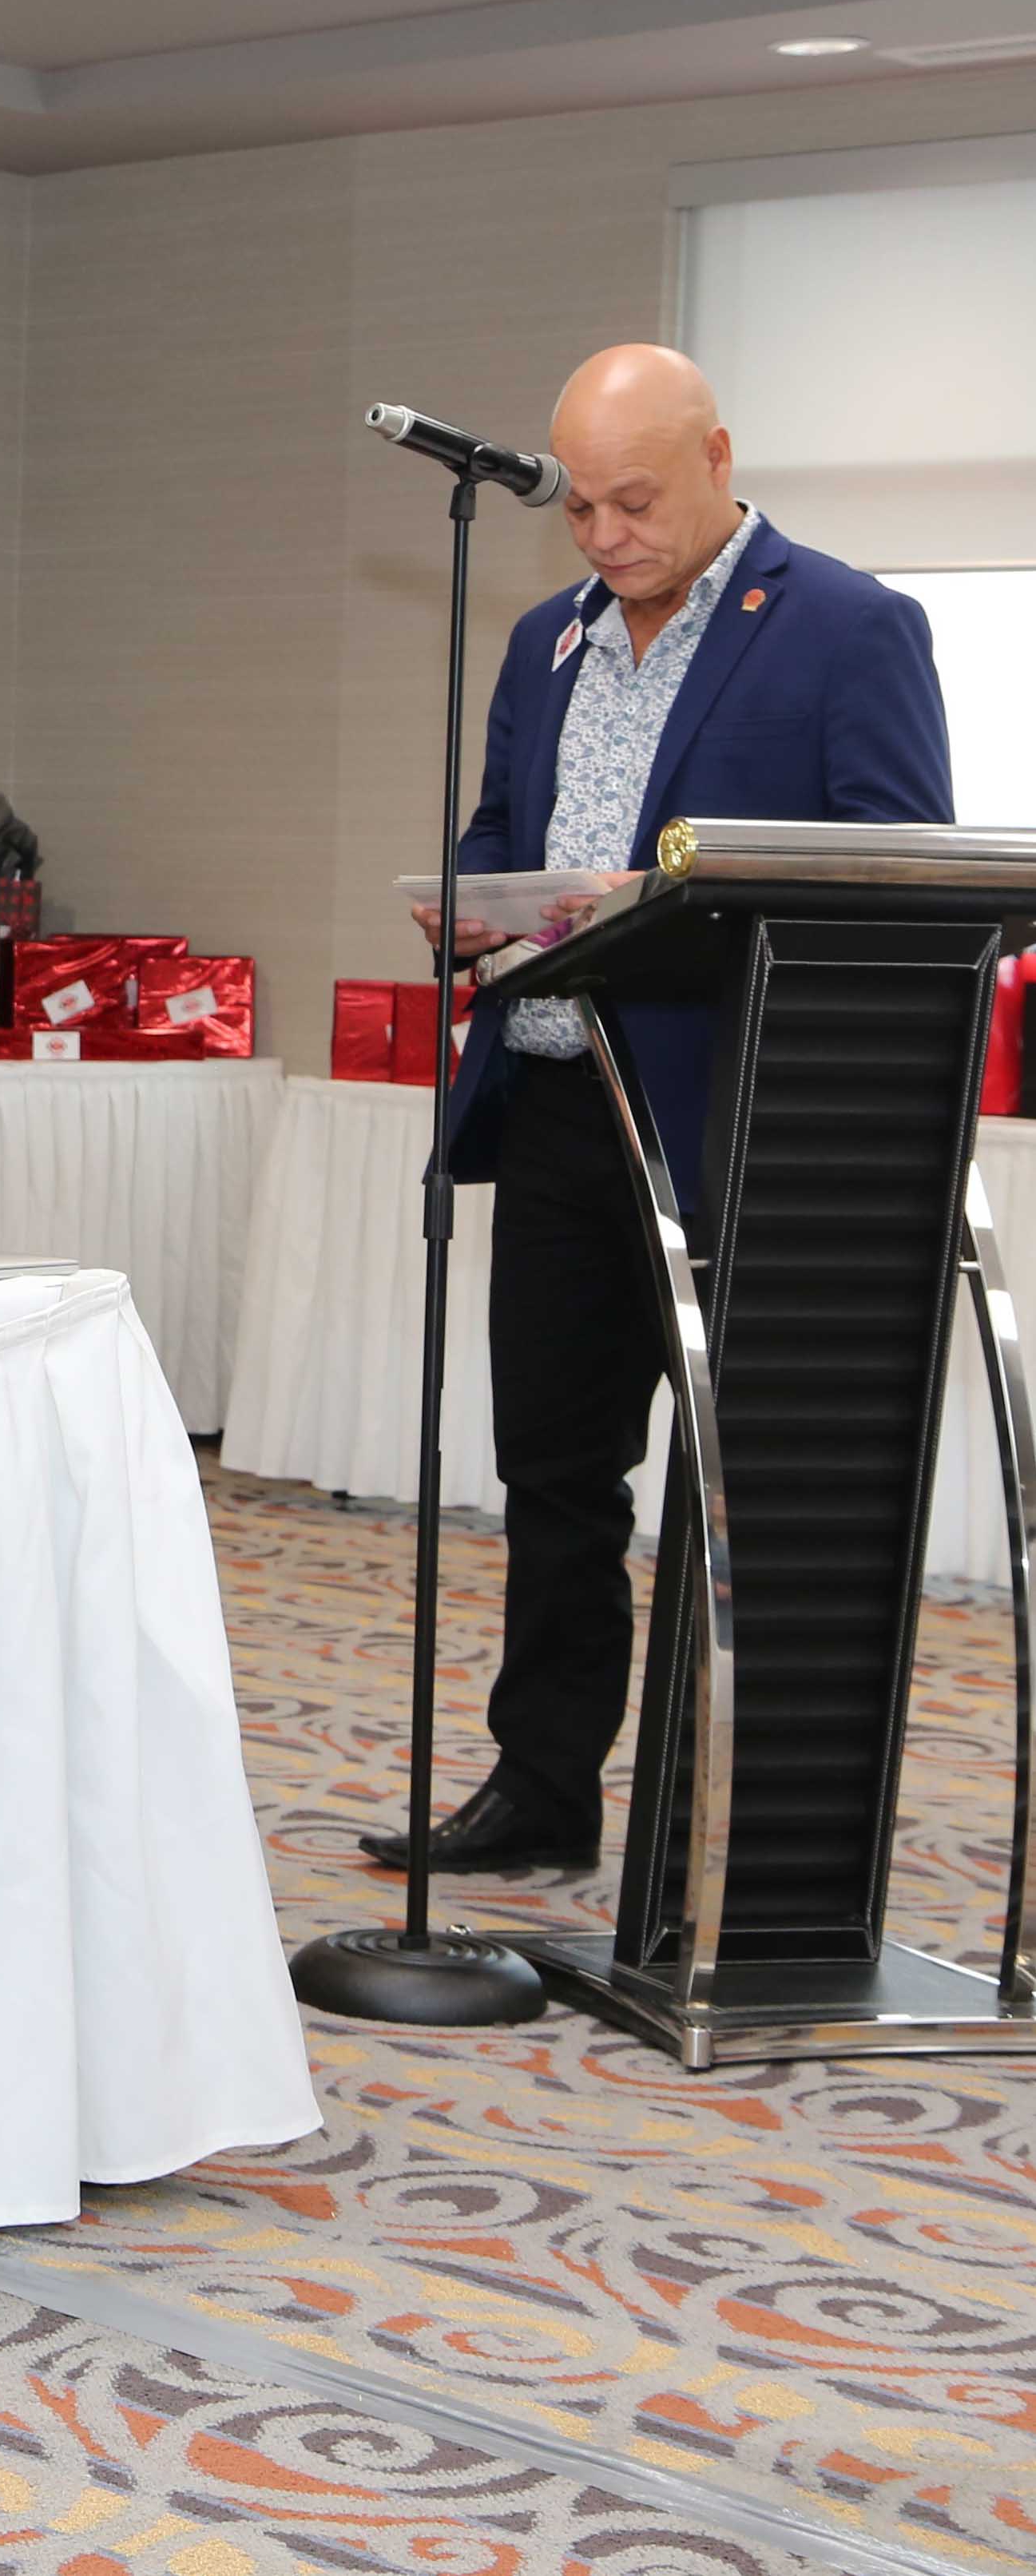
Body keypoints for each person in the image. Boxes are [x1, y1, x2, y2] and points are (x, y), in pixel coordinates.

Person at [359, 343, 951, 1875]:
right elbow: (507, 820)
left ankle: (723, 1818)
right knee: (554, 1470)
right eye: (583, 511)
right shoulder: (545, 640)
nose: (607, 535)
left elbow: (890, 879)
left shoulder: (845, 627)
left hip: (738, 1127)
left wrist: (673, 900)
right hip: (559, 1098)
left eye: (636, 500)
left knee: (737, 1485)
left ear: (717, 455)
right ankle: (541, 1784)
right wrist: (480, 898)